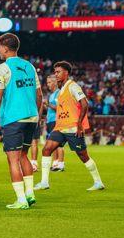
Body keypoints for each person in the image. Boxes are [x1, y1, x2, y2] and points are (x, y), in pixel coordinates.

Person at [0, 33, 42, 209]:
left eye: (0, 47)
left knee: (13, 159)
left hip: (14, 118)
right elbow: (39, 94)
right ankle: (30, 194)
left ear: (6, 48)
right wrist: (37, 115)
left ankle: (21, 200)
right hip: (31, 117)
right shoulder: (30, 66)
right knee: (24, 155)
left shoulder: (1, 69)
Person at [34, 61, 104, 192]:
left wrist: (79, 123)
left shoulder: (73, 86)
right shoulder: (61, 92)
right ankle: (44, 182)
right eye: (55, 72)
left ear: (66, 72)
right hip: (60, 127)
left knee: (83, 156)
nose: (56, 74)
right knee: (46, 149)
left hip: (72, 127)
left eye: (58, 71)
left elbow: (84, 102)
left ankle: (98, 182)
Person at [43, 74, 65, 171]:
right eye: (47, 82)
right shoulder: (51, 95)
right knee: (52, 143)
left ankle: (61, 163)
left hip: (56, 120)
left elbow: (59, 109)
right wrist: (44, 105)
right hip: (50, 121)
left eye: (49, 82)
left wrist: (47, 104)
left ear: (55, 82)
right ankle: (56, 162)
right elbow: (50, 108)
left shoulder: (59, 93)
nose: (48, 84)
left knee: (58, 143)